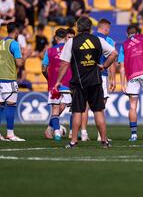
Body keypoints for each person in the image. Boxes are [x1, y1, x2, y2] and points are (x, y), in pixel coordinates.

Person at [57, 17, 118, 148]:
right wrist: (104, 66)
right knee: (98, 111)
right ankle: (104, 141)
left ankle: (73, 142)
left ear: (78, 27)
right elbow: (114, 53)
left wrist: (58, 81)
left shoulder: (71, 42)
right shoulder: (98, 40)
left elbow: (64, 63)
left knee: (78, 111)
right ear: (90, 28)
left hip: (79, 83)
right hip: (95, 81)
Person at [79, 18, 116, 142]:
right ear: (105, 28)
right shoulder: (108, 40)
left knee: (85, 105)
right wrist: (113, 78)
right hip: (101, 75)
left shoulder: (88, 38)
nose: (109, 31)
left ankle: (83, 133)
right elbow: (112, 59)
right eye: (108, 29)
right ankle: (101, 136)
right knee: (100, 106)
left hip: (85, 75)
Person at [0, 22, 26, 141]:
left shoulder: (1, 42)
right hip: (8, 78)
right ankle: (10, 134)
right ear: (16, 31)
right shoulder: (14, 44)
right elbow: (19, 63)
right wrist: (25, 56)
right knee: (11, 105)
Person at [42, 28, 72, 141]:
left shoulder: (49, 51)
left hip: (54, 85)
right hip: (67, 84)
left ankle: (56, 132)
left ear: (55, 38)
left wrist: (49, 79)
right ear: (65, 38)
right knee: (65, 107)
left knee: (55, 109)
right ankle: (70, 132)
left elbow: (43, 68)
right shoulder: (70, 49)